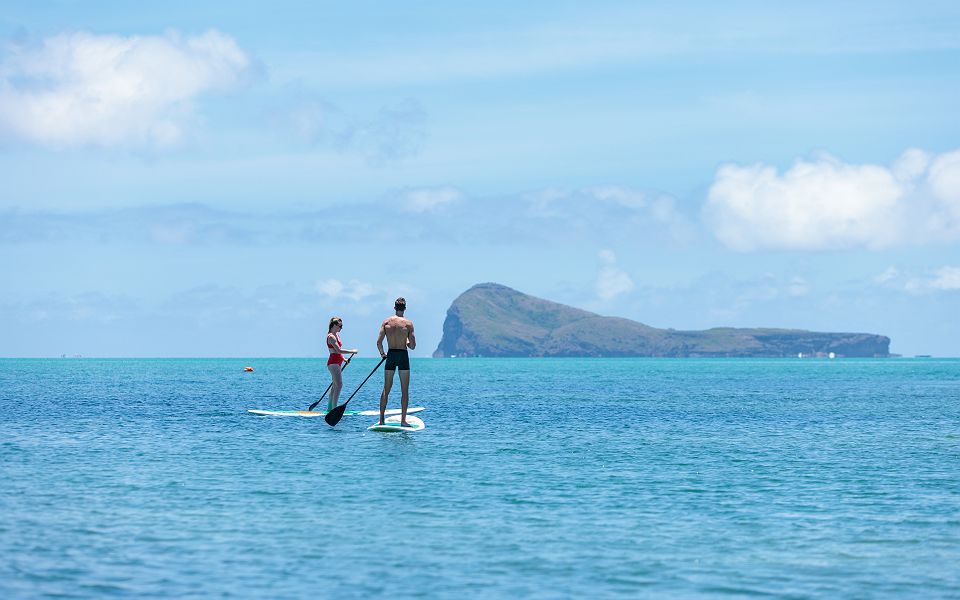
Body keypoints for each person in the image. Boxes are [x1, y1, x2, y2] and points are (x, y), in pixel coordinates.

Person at [376, 297, 416, 425]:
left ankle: (381, 420)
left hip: (391, 354)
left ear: (394, 308)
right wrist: (406, 340)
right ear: (405, 308)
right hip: (403, 355)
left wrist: (383, 354)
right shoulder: (408, 324)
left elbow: (379, 342)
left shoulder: (387, 322)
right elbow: (413, 346)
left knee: (386, 389)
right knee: (404, 390)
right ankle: (403, 421)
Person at [326, 316, 357, 411]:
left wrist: (344, 359)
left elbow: (337, 352)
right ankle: (334, 409)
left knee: (335, 386)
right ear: (334, 325)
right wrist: (352, 351)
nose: (341, 328)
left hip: (337, 362)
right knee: (339, 385)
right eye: (340, 326)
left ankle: (330, 408)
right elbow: (338, 350)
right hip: (333, 363)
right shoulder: (331, 336)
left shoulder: (337, 335)